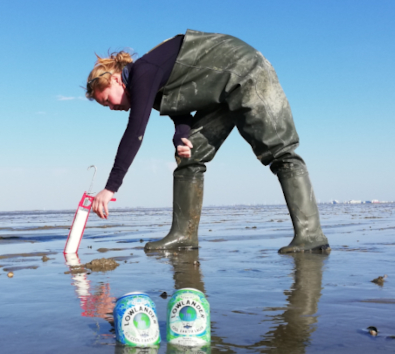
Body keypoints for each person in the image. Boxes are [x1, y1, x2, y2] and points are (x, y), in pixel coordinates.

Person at [85, 29, 330, 254]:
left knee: (280, 151)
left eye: (107, 100)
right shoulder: (148, 82)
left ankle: (311, 236)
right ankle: (184, 236)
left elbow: (135, 131)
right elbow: (179, 112)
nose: (111, 108)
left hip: (246, 71)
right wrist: (181, 136)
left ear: (116, 80)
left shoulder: (143, 72)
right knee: (190, 155)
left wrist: (111, 187)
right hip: (222, 94)